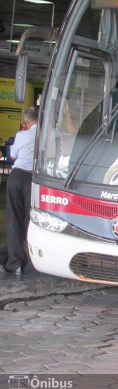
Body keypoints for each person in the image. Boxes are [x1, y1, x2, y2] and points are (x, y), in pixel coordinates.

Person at [0, 106, 38, 275]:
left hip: (16, 176)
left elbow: (13, 155)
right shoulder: (47, 135)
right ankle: (13, 259)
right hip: (33, 179)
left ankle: (14, 261)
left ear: (27, 121)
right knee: (28, 219)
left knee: (14, 218)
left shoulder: (22, 135)